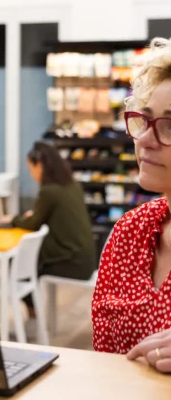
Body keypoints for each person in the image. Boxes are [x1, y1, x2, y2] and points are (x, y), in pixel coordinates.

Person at [92, 37, 171, 373]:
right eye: (145, 119)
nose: (144, 139)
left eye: (170, 126)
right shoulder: (129, 231)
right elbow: (103, 358)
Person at [0, 141, 96, 315]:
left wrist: (12, 219)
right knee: (27, 260)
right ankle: (34, 312)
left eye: (31, 168)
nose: (31, 174)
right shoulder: (73, 186)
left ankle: (32, 311)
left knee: (18, 263)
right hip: (86, 260)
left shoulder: (49, 191)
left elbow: (33, 223)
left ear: (40, 165)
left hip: (70, 263)